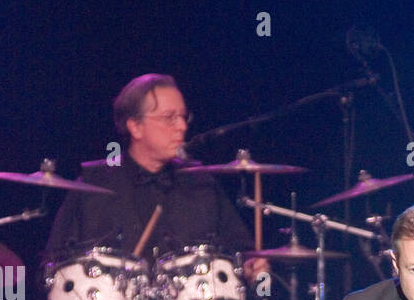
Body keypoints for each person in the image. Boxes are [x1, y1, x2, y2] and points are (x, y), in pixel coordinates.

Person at [44, 73, 255, 261]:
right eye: (169, 118)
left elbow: (242, 251)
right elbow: (52, 267)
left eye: (183, 117)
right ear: (135, 126)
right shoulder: (93, 185)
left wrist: (252, 265)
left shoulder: (201, 183)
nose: (182, 126)